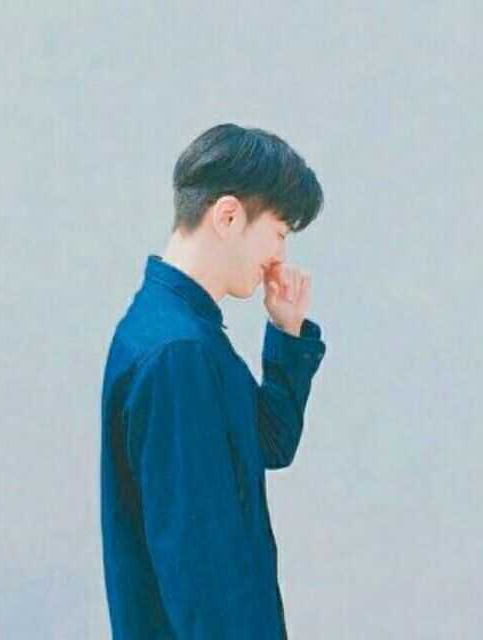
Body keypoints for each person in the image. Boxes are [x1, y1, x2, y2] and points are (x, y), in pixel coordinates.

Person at [100, 123, 327, 639]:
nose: (279, 256)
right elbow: (200, 571)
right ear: (228, 216)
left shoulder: (181, 330)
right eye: (279, 232)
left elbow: (268, 442)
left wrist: (286, 333)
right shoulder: (179, 352)